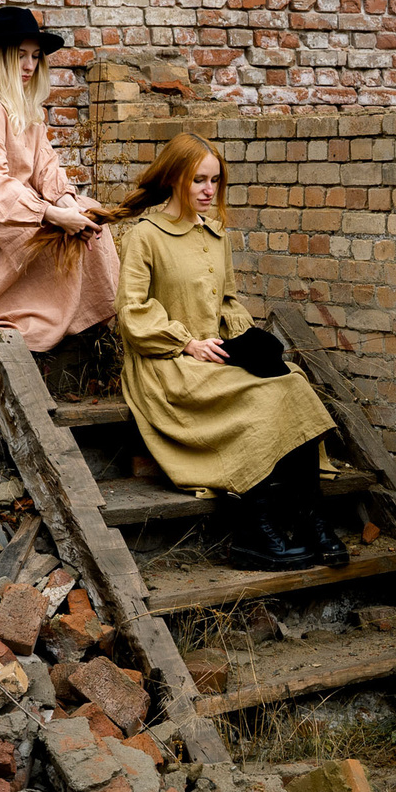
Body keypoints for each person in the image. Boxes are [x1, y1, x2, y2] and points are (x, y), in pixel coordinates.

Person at [113, 133, 346, 571]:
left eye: (215, 180)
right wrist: (186, 342)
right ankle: (255, 530)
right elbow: (132, 311)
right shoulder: (145, 236)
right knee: (263, 397)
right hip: (167, 363)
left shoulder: (217, 234)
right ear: (174, 179)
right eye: (198, 180)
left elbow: (228, 302)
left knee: (292, 380)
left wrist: (242, 343)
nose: (208, 190)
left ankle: (312, 520)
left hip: (216, 353)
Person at [0, 6, 119, 350]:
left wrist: (68, 205)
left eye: (35, 56)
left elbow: (46, 167)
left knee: (88, 211)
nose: (29, 66)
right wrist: (53, 215)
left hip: (7, 225)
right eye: (19, 56)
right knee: (59, 229)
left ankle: (93, 322)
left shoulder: (23, 104)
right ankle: (59, 318)